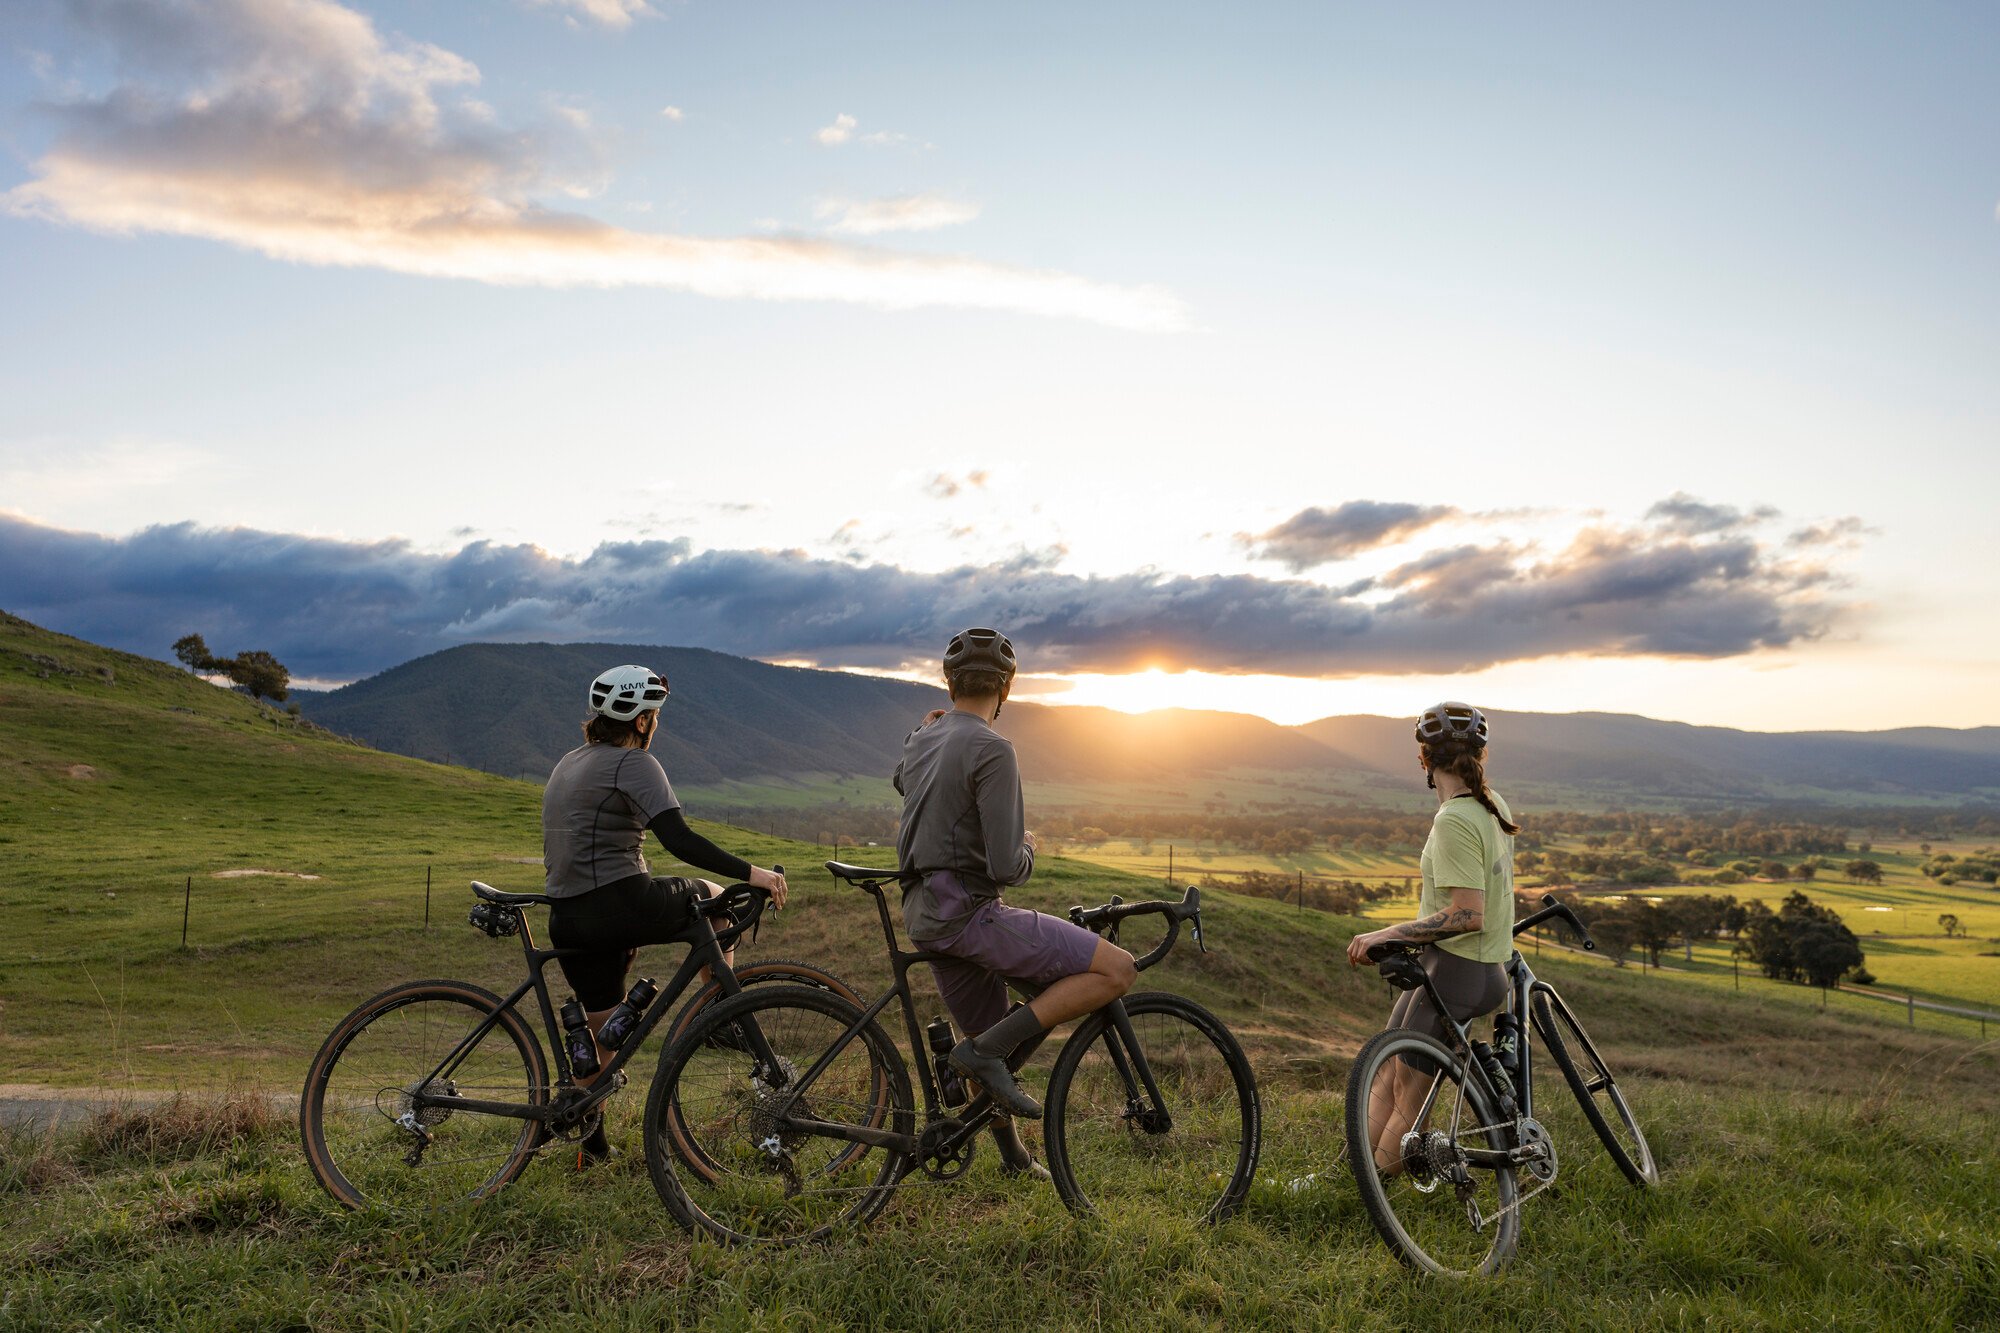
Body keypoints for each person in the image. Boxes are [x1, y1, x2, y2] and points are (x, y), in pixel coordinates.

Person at [893, 628, 1136, 1179]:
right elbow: (1006, 868)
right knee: (1117, 969)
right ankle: (981, 1056)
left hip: (924, 917)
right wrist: (1028, 848)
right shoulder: (993, 749)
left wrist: (924, 728)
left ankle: (1012, 1158)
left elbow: (900, 780)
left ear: (949, 683)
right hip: (969, 914)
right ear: (1006, 688)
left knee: (989, 1032)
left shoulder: (920, 739)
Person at [542, 663, 789, 1166]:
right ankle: (720, 1014)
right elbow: (679, 839)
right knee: (718, 897)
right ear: (640, 721)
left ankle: (593, 1146)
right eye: (654, 715)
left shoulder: (569, 761)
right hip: (621, 902)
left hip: (567, 914)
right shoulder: (633, 764)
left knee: (601, 1032)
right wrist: (752, 874)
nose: (655, 724)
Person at [1344, 701, 1519, 1173]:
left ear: (1424, 759)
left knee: (1409, 1093)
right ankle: (1353, 1167)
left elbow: (1468, 914)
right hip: (1466, 967)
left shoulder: (1456, 819)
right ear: (1479, 756)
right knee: (1387, 1065)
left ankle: (1374, 1186)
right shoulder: (1490, 804)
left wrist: (1391, 932)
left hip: (1459, 971)